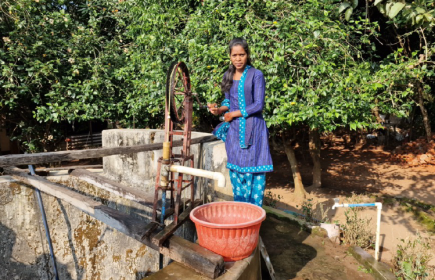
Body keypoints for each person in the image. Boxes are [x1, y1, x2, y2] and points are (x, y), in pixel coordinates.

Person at [208, 38, 273, 207]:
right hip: (235, 131)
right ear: (230, 56)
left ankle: (254, 217)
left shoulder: (256, 75)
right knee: (236, 171)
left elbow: (258, 104)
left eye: (241, 55)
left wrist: (233, 114)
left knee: (255, 173)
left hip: (255, 130)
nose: (238, 59)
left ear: (247, 55)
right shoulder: (228, 75)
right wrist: (219, 110)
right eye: (234, 55)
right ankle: (241, 212)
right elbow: (228, 102)